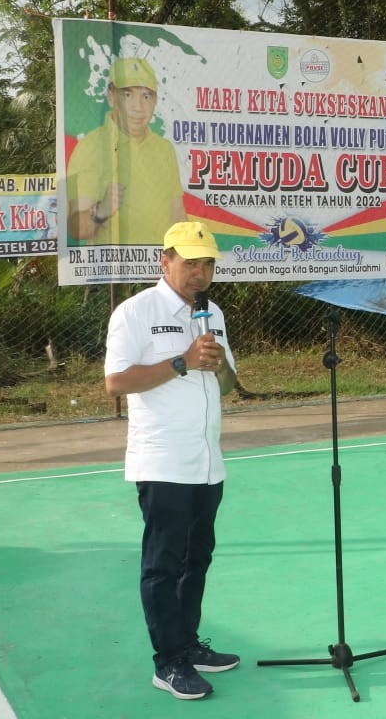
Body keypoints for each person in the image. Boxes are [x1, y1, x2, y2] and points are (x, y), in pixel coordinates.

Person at [105, 221, 241, 700]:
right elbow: (116, 383)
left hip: (208, 462)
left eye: (207, 264)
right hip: (162, 462)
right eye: (190, 263)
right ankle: (168, 663)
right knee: (163, 565)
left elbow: (227, 386)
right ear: (165, 261)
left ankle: (188, 644)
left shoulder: (214, 312)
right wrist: (181, 361)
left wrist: (219, 363)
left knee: (197, 557)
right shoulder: (135, 312)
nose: (200, 273)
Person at [67, 56, 186, 245]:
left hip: (162, 268)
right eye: (127, 95)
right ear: (111, 97)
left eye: (146, 96)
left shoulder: (164, 149)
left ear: (155, 101)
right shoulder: (91, 147)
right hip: (113, 270)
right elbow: (76, 229)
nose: (138, 107)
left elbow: (178, 215)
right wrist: (101, 212)